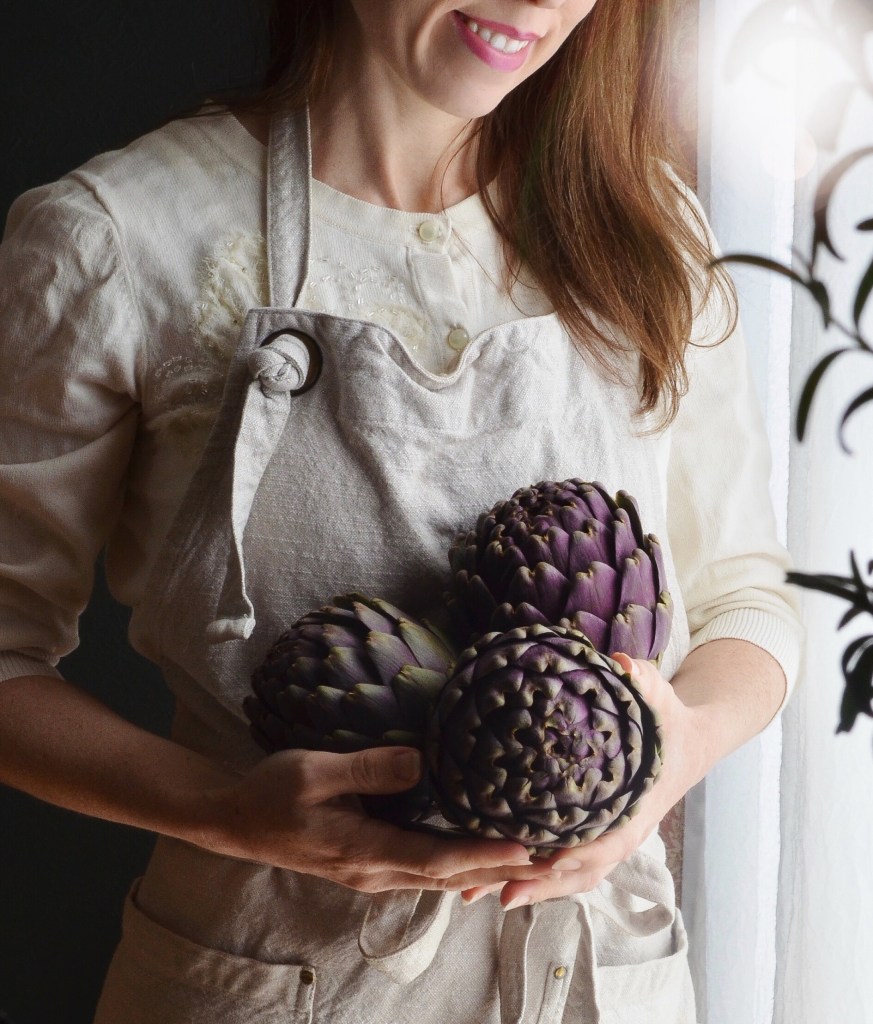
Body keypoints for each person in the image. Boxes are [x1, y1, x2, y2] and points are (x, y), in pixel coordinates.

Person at [0, 1, 803, 1021]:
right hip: (266, 982)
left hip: (608, 987)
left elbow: (745, 594)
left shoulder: (646, 230)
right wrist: (228, 814)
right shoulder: (119, 239)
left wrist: (679, 744)